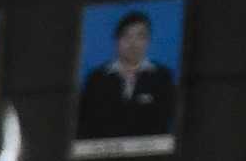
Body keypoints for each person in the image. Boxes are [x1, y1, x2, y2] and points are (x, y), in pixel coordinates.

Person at [74, 8, 177, 143]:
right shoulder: (96, 78)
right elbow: (82, 125)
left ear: (148, 41)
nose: (133, 43)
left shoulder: (163, 76)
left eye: (140, 36)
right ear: (116, 40)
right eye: (127, 36)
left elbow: (170, 124)